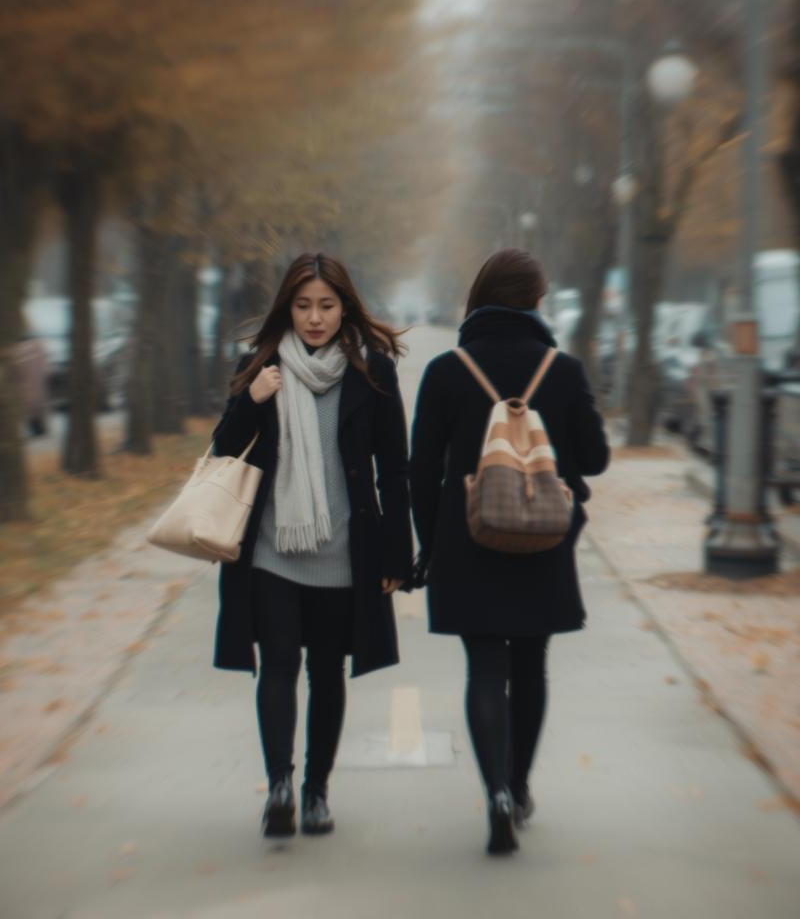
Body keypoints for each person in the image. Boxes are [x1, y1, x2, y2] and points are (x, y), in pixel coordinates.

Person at [409, 249, 609, 855]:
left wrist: (428, 545)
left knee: (485, 671)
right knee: (530, 668)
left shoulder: (446, 371)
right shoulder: (564, 370)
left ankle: (494, 791)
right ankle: (519, 787)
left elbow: (419, 469)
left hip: (468, 540)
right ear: (535, 302)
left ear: (479, 298)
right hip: (544, 540)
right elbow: (596, 458)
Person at [212, 253, 412, 839]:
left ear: (344, 306)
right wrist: (253, 398)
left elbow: (394, 468)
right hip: (273, 550)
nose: (314, 318)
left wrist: (396, 556)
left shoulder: (371, 371)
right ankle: (279, 785)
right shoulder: (261, 365)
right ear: (287, 307)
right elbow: (223, 450)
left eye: (326, 305)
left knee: (327, 672)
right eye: (303, 306)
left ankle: (316, 792)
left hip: (344, 553)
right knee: (277, 663)